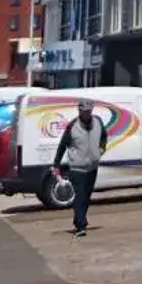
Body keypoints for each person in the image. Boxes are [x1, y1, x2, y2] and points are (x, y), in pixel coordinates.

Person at [50, 99, 107, 237]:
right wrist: (56, 164)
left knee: (86, 197)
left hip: (92, 167)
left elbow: (104, 136)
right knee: (80, 196)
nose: (87, 114)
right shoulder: (73, 126)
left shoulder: (98, 122)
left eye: (89, 111)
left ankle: (79, 220)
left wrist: (101, 149)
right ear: (79, 112)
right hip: (77, 168)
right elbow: (63, 145)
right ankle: (81, 225)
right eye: (84, 112)